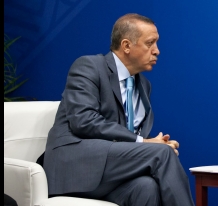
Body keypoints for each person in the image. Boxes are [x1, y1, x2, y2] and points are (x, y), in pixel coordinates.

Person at [43, 13, 194, 206]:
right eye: (150, 43)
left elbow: (131, 135)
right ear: (126, 46)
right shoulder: (88, 67)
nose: (157, 51)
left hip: (112, 172)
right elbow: (83, 120)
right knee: (162, 154)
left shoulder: (144, 85)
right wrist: (144, 143)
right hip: (76, 166)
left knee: (146, 187)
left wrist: (150, 142)